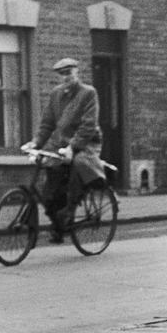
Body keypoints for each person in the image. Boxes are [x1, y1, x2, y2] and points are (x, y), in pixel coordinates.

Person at [24, 57, 105, 243]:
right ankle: (58, 224)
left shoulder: (88, 93)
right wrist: (36, 143)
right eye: (62, 74)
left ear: (77, 72)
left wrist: (72, 147)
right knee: (50, 185)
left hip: (86, 143)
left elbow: (89, 125)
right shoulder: (56, 95)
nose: (66, 77)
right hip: (61, 143)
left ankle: (69, 210)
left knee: (78, 164)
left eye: (69, 72)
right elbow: (47, 124)